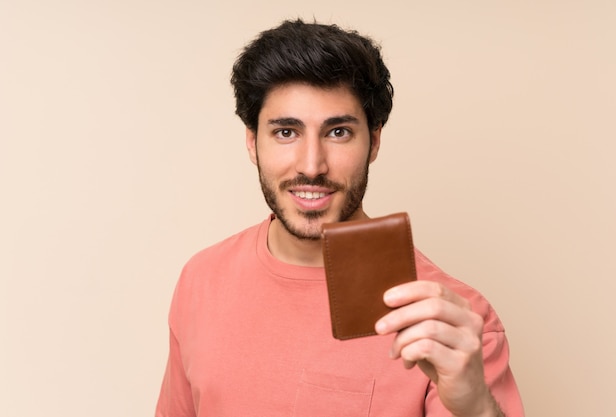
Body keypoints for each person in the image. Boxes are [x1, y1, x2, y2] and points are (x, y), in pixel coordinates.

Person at [156, 19, 524, 417]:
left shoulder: (453, 323)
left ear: (375, 141)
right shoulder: (201, 280)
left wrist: (476, 407)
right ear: (252, 142)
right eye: (285, 132)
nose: (312, 165)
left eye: (338, 132)